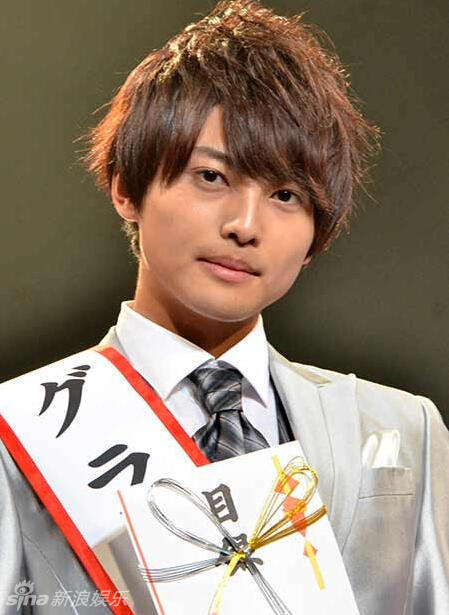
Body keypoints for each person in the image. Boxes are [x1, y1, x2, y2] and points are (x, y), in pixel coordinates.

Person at [0, 1, 448, 614]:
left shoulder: (403, 430)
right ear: (126, 186)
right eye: (211, 177)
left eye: (286, 194)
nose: (246, 225)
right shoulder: (18, 432)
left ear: (316, 237)